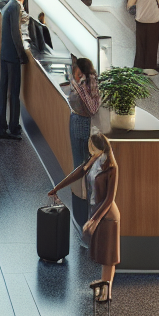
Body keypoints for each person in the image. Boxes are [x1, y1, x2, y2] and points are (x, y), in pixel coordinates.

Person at [47, 131, 120, 300]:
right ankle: (104, 284)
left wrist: (94, 220)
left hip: (108, 217)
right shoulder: (93, 161)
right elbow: (78, 172)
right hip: (96, 212)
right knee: (103, 255)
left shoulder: (111, 168)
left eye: (91, 146)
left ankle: (107, 292)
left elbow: (109, 199)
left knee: (109, 257)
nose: (88, 149)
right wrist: (57, 188)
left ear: (100, 148)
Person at [61, 56, 102, 212]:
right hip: (75, 119)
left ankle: (86, 198)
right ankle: (81, 195)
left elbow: (92, 108)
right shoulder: (82, 82)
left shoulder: (87, 84)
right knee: (78, 161)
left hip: (81, 123)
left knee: (82, 163)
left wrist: (78, 87)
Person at [0, 0, 28, 139]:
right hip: (12, 56)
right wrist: (22, 54)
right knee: (14, 93)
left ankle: (1, 124)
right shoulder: (15, 6)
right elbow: (16, 33)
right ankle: (13, 126)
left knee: (3, 90)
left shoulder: (8, 4)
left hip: (4, 53)